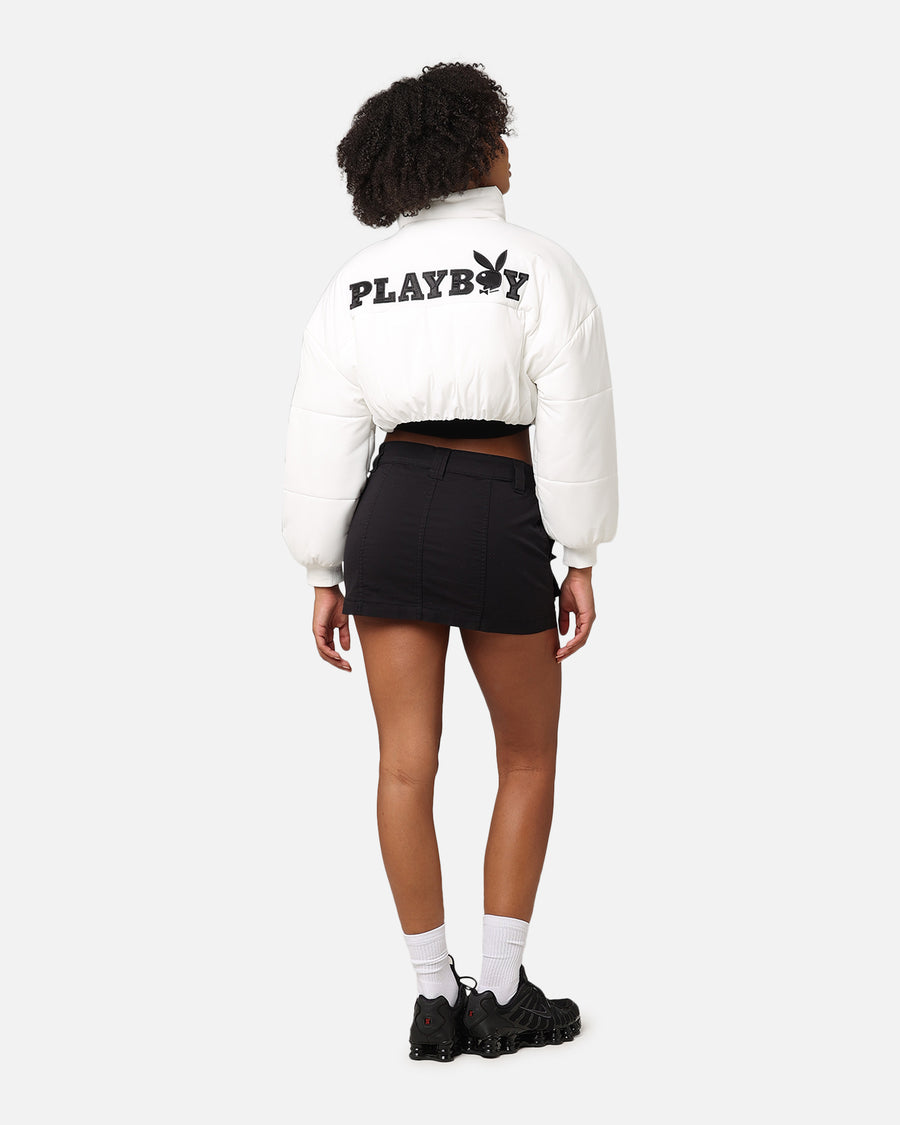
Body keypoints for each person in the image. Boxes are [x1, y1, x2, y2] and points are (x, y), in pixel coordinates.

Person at [281, 61, 618, 1062]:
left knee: (403, 764)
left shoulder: (354, 282)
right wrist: (581, 552)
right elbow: (575, 419)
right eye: (498, 135)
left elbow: (323, 433)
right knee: (527, 756)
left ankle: (434, 1004)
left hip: (388, 512)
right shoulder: (540, 265)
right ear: (472, 149)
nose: (510, 151)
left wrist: (322, 571)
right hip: (496, 506)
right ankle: (501, 994)